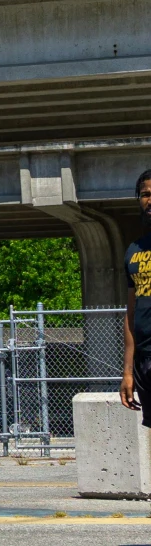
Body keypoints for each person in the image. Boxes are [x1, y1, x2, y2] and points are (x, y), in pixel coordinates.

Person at [119, 169, 151, 413]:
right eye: (145, 194)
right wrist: (128, 371)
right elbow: (130, 313)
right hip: (144, 360)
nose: (149, 199)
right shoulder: (133, 251)